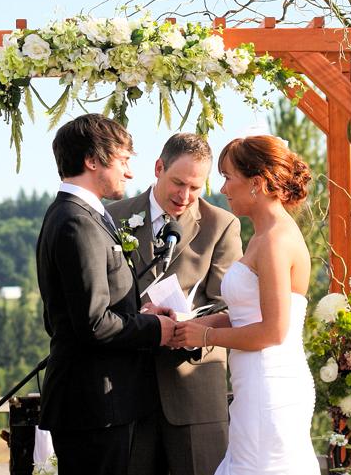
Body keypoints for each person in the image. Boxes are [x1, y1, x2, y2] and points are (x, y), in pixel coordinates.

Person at [36, 114, 177, 475]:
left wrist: (141, 310)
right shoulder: (76, 221)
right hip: (92, 403)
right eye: (124, 160)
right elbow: (93, 323)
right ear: (92, 161)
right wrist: (153, 329)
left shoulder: (80, 215)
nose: (130, 172)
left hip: (98, 402)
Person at [171, 135, 319, 475]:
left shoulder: (276, 241)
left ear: (257, 183)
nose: (223, 188)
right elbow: (245, 314)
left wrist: (205, 339)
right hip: (254, 383)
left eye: (227, 176)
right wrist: (192, 324)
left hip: (270, 386)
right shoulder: (264, 236)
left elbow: (272, 331)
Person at [107, 133, 242, 475]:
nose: (185, 196)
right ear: (158, 168)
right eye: (178, 183)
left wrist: (184, 322)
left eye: (195, 188)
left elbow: (231, 306)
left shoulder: (221, 225)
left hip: (194, 389)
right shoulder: (112, 217)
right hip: (126, 390)